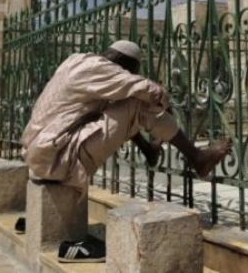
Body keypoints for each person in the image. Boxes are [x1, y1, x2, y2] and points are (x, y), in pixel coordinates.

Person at [18, 40, 232, 263]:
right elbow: (151, 90)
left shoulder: (77, 61)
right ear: (122, 64)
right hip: (58, 157)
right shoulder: (100, 68)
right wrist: (163, 104)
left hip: (43, 154)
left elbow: (114, 111)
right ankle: (197, 158)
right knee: (136, 103)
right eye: (131, 71)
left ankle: (149, 151)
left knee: (120, 106)